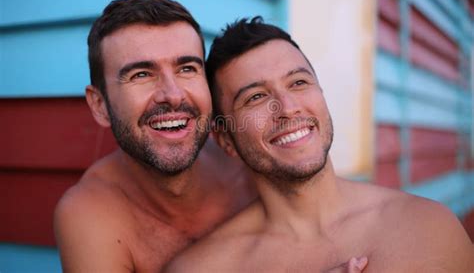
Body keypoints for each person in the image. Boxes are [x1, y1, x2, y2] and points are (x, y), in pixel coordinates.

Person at [165, 17, 474, 272]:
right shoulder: (202, 269)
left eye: (298, 83)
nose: (287, 107)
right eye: (256, 97)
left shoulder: (427, 228)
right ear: (226, 140)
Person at [53, 0, 258, 272]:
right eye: (141, 74)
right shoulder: (90, 214)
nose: (173, 96)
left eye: (187, 68)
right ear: (100, 105)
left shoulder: (249, 164)